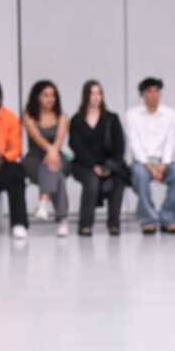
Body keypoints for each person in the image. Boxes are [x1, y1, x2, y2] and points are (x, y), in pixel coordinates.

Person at [68, 80, 129, 235]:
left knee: (117, 181)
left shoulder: (112, 119)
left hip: (109, 164)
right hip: (84, 165)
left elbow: (119, 145)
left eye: (98, 93)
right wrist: (93, 166)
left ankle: (114, 223)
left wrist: (108, 166)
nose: (95, 97)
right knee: (92, 180)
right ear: (85, 96)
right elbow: (76, 146)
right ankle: (85, 224)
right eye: (92, 93)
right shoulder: (76, 120)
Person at [125, 77, 175, 233]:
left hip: (164, 161)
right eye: (149, 91)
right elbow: (134, 143)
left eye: (157, 91)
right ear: (142, 94)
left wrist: (163, 165)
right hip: (142, 162)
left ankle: (170, 218)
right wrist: (150, 167)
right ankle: (148, 219)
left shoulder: (170, 114)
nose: (154, 95)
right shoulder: (132, 115)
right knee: (140, 175)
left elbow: (171, 140)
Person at [22, 80, 71, 236]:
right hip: (35, 158)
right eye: (46, 95)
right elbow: (36, 137)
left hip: (57, 155)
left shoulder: (62, 116)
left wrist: (53, 152)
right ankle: (63, 219)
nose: (50, 99)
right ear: (37, 97)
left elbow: (60, 138)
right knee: (56, 173)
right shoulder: (28, 116)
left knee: (53, 166)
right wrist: (50, 151)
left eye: (53, 95)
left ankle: (43, 202)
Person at [0, 79, 29, 238]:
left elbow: (17, 148)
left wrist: (1, 160)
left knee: (16, 174)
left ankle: (18, 223)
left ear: (0, 97)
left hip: (4, 162)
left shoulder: (10, 117)